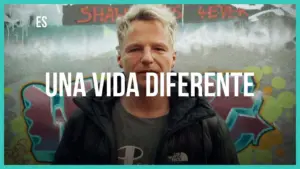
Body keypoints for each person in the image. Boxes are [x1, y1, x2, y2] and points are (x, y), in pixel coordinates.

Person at [53, 4, 239, 164]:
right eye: (135, 49)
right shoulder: (84, 123)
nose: (147, 58)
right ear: (120, 58)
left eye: (159, 49)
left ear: (173, 58)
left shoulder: (208, 126)